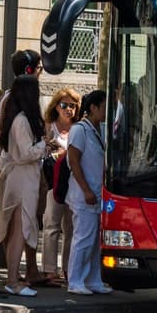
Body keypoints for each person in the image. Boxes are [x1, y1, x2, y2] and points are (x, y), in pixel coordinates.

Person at [0, 75, 46, 297]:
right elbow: (25, 154)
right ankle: (13, 280)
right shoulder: (22, 120)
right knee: (19, 230)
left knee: (17, 229)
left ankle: (13, 278)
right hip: (23, 177)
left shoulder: (14, 118)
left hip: (18, 176)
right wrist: (44, 145)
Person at [66, 90, 113, 295]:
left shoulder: (99, 129)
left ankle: (93, 279)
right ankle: (75, 280)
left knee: (95, 241)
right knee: (83, 238)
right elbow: (74, 161)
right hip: (83, 193)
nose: (106, 111)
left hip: (97, 192)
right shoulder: (80, 130)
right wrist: (85, 189)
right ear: (93, 107)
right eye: (103, 107)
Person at [41, 88, 80, 284]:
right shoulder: (49, 127)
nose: (68, 109)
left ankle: (68, 269)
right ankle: (49, 270)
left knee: (71, 229)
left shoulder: (79, 128)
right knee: (51, 226)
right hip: (54, 183)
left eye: (73, 106)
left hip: (74, 183)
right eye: (64, 105)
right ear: (56, 106)